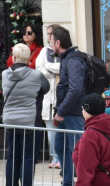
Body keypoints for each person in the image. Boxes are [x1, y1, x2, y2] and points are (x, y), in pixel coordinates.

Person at [2, 43, 50, 186]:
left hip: (10, 120)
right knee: (28, 157)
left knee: (12, 156)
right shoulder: (36, 75)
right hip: (29, 121)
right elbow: (46, 87)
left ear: (14, 57)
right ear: (28, 58)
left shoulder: (4, 74)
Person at [47, 25, 88, 186]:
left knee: (79, 152)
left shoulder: (73, 60)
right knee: (60, 147)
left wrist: (60, 112)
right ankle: (67, 184)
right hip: (66, 113)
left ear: (57, 43)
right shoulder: (66, 59)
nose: (50, 46)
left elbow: (75, 90)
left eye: (50, 42)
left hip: (74, 114)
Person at [37, 24, 63, 170]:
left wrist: (48, 66)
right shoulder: (44, 51)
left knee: (61, 130)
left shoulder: (63, 50)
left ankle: (61, 158)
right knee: (50, 130)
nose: (48, 37)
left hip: (60, 97)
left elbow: (63, 68)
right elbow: (39, 69)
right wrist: (52, 70)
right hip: (48, 97)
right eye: (47, 34)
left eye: (51, 34)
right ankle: (54, 157)